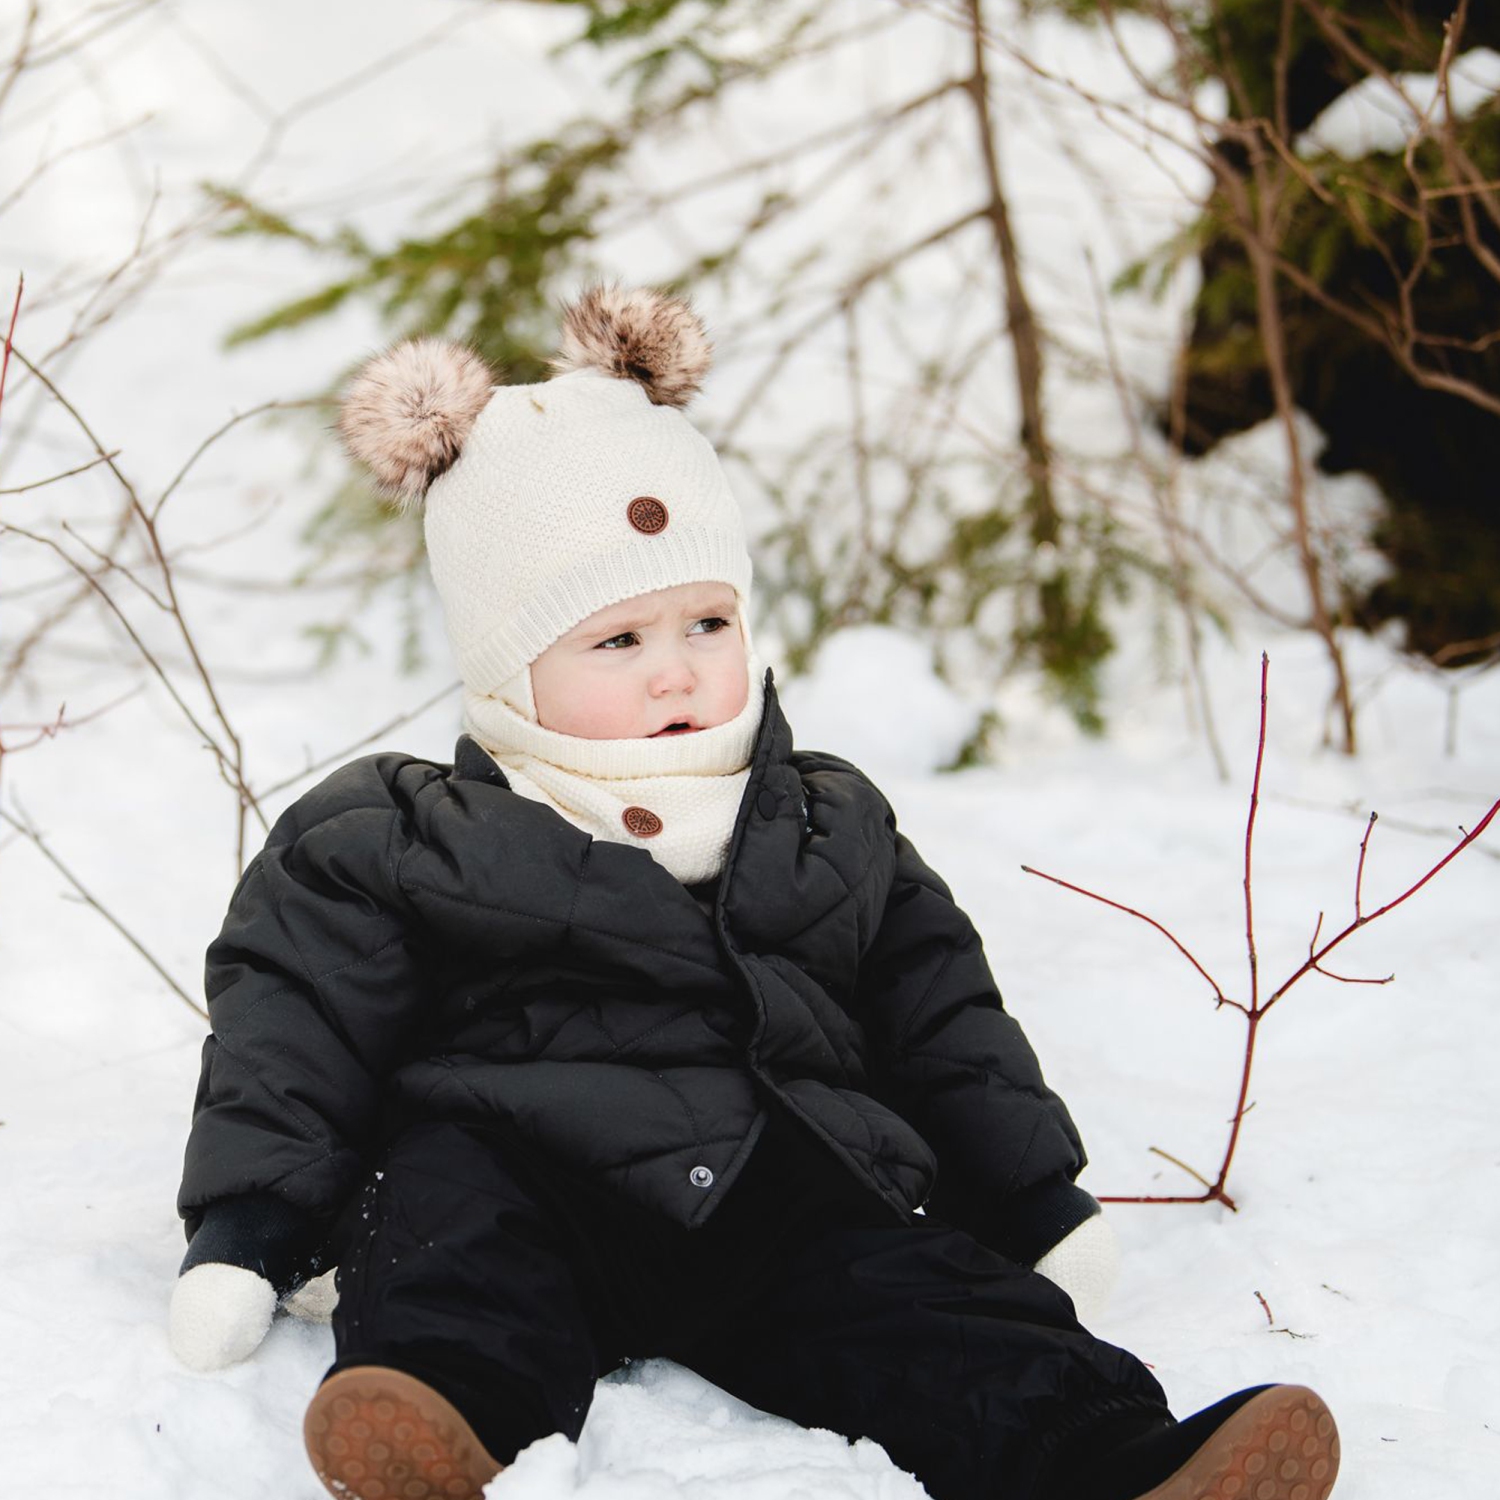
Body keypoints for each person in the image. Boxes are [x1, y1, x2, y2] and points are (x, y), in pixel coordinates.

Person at [168, 285, 1340, 1500]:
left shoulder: (822, 820)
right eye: (618, 641)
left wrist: (1030, 1196)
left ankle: (1113, 1457)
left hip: (782, 1187)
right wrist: (250, 1227)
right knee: (444, 1225)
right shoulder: (405, 835)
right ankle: (443, 1417)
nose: (676, 670)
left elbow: (942, 1013)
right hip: (523, 1171)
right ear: (507, 667)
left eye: (707, 622)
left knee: (930, 1297)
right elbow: (295, 1026)